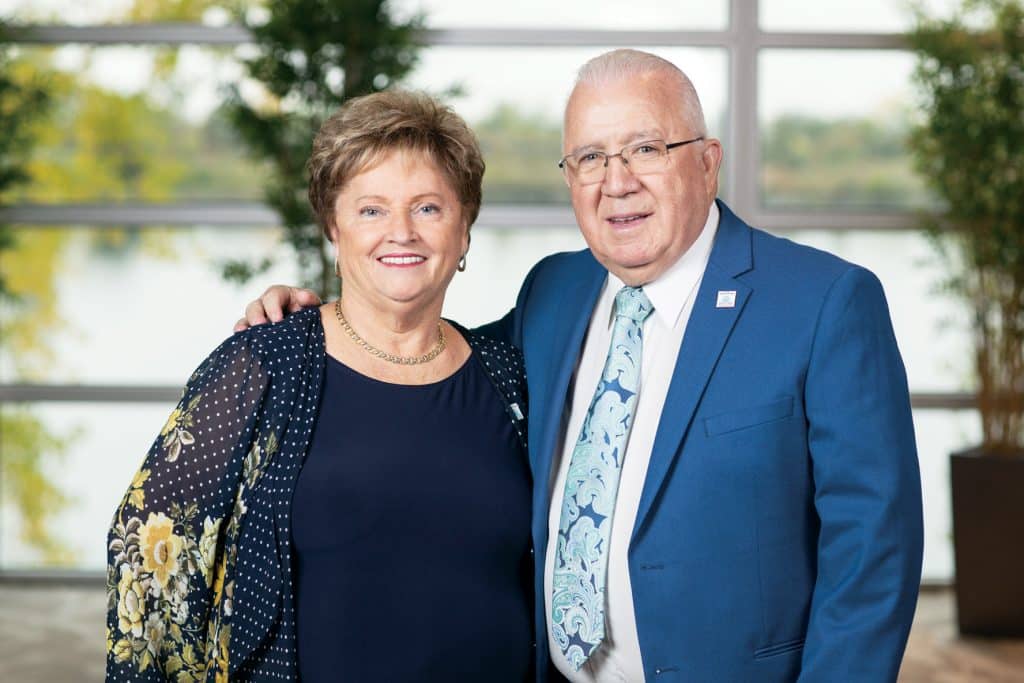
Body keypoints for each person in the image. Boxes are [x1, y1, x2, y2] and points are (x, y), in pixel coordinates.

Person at [240, 49, 924, 682]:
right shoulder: (554, 292)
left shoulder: (825, 303)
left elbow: (873, 559)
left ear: (707, 161)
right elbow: (426, 357)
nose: (616, 181)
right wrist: (318, 319)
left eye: (646, 148)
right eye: (590, 157)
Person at [106, 90, 537, 682]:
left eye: (429, 208)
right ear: (335, 230)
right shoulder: (263, 363)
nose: (401, 232)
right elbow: (149, 551)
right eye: (371, 210)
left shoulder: (507, 375)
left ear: (464, 231)